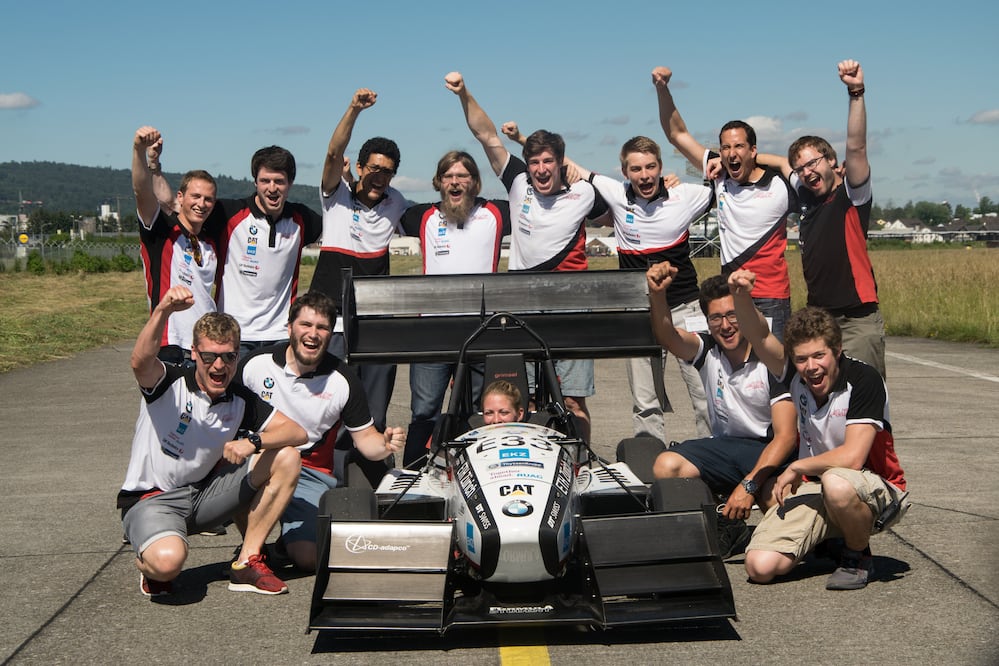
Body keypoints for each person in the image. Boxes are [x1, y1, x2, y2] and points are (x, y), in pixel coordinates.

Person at [446, 71, 607, 443]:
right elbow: (486, 134)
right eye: (533, 162)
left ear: (561, 162)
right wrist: (464, 93)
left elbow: (634, 208)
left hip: (573, 308)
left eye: (548, 161)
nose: (540, 169)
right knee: (525, 400)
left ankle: (578, 462)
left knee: (572, 401)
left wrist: (670, 183)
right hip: (525, 307)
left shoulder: (584, 193)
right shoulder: (517, 181)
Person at [117, 285, 307, 597]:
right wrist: (163, 309)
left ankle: (247, 561)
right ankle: (149, 557)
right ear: (195, 354)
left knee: (287, 456)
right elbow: (140, 361)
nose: (219, 366)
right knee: (167, 564)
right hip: (152, 499)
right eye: (210, 356)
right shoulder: (169, 382)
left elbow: (297, 433)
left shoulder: (240, 400)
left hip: (204, 497)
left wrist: (254, 442)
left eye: (229, 357)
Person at [728, 269, 907, 590]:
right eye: (801, 359)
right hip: (817, 487)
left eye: (819, 355)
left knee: (837, 483)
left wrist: (796, 465)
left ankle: (857, 555)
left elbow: (852, 458)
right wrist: (741, 296)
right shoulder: (794, 376)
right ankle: (829, 541)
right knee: (760, 567)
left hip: (876, 487)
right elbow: (758, 336)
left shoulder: (863, 380)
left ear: (837, 350)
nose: (811, 366)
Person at [535, 130, 714, 442]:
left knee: (704, 391)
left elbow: (721, 183)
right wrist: (519, 137)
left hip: (685, 307)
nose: (644, 176)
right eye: (636, 169)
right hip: (640, 312)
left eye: (650, 167)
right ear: (624, 173)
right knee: (646, 401)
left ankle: (713, 455)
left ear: (660, 167)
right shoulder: (615, 193)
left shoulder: (686, 196)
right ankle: (649, 460)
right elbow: (565, 163)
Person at [237, 291, 404, 571]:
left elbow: (366, 441)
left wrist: (385, 444)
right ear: (289, 327)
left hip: (310, 471)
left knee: (309, 558)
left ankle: (285, 543)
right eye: (306, 325)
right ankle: (253, 549)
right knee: (234, 480)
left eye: (322, 327)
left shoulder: (343, 379)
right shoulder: (255, 364)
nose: (313, 334)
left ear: (330, 334)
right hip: (260, 461)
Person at [646, 265, 798, 557]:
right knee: (666, 466)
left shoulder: (771, 359)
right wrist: (657, 294)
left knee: (778, 501)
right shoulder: (707, 349)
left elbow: (786, 438)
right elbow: (668, 336)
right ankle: (722, 525)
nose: (725, 325)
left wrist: (748, 486)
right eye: (716, 318)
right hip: (725, 449)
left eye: (732, 315)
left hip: (769, 453)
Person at [758, 60, 886, 377]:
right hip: (820, 318)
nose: (806, 172)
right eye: (801, 168)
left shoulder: (851, 197)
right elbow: (780, 163)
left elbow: (856, 146)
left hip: (856, 318)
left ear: (831, 160)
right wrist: (737, 157)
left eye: (812, 163)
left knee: (864, 399)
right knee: (824, 401)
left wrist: (855, 92)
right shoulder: (805, 196)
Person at [652, 66, 794, 340]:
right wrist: (662, 88)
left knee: (774, 375)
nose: (731, 154)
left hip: (771, 296)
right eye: (725, 148)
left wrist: (768, 159)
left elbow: (795, 167)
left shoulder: (780, 183)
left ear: (753, 150)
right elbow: (677, 134)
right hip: (731, 296)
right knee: (737, 374)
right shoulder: (719, 176)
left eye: (739, 146)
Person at [152, 143, 324, 355]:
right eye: (265, 181)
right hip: (233, 334)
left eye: (279, 181)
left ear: (290, 184)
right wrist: (154, 168)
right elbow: (175, 206)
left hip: (280, 335)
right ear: (255, 182)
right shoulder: (228, 213)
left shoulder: (303, 218)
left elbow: (338, 230)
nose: (272, 188)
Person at [309, 88, 409, 445]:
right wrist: (354, 109)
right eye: (374, 168)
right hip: (331, 322)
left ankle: (370, 473)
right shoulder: (335, 196)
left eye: (388, 171)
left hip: (375, 323)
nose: (380, 176)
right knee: (327, 406)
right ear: (361, 166)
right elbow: (334, 152)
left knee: (374, 412)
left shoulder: (396, 202)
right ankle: (324, 478)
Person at [399, 150, 511, 465]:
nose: (455, 182)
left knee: (476, 410)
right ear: (438, 182)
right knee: (424, 409)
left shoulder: (497, 213)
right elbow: (375, 206)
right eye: (448, 176)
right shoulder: (419, 216)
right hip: (431, 333)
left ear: (474, 182)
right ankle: (415, 473)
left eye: (462, 176)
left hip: (480, 332)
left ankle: (472, 470)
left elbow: (537, 198)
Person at [131, 126, 219, 367]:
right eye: (196, 197)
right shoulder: (161, 233)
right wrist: (140, 151)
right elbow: (143, 191)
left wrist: (155, 165)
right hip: (170, 345)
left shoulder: (210, 242)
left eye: (208, 199)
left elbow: (167, 199)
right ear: (182, 197)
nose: (202, 204)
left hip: (206, 346)